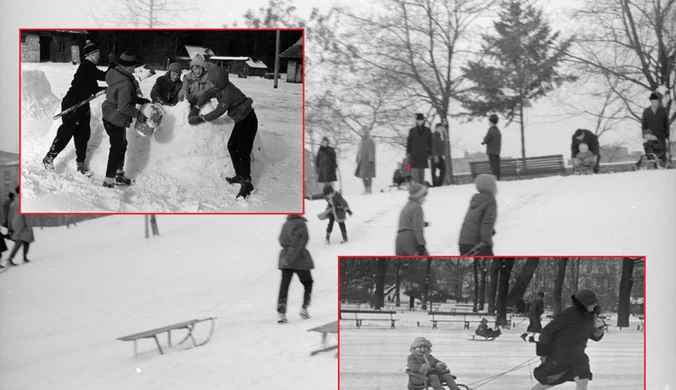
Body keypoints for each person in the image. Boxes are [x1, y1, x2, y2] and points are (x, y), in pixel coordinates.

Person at [42, 40, 113, 177]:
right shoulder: (86, 66)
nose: (99, 56)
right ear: (91, 54)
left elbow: (93, 88)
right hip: (72, 104)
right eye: (98, 53)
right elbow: (105, 76)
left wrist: (107, 90)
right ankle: (49, 158)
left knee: (83, 135)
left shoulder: (89, 69)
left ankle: (81, 164)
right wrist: (112, 64)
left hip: (83, 104)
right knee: (66, 132)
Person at [189, 66, 258, 199]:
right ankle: (240, 175)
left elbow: (218, 112)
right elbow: (208, 93)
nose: (213, 84)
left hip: (248, 120)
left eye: (214, 81)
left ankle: (247, 183)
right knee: (232, 146)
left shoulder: (227, 93)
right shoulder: (220, 86)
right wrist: (197, 106)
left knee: (243, 151)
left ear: (219, 81)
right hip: (240, 120)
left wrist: (201, 118)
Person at [531, 289, 604, 390]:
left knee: (583, 380)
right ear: (583, 304)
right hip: (561, 356)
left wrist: (598, 332)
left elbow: (592, 335)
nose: (594, 306)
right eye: (592, 303)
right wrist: (543, 353)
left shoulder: (590, 316)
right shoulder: (567, 314)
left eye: (595, 303)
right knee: (550, 381)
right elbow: (546, 332)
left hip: (578, 355)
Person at [101, 48, 150, 188]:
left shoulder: (114, 73)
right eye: (133, 66)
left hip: (110, 113)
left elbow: (123, 97)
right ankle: (108, 181)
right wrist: (139, 115)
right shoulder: (126, 83)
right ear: (128, 66)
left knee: (122, 144)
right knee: (117, 147)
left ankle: (119, 175)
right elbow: (124, 106)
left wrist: (139, 101)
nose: (135, 69)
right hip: (115, 117)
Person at [277, 214, 314, 324]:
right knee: (308, 282)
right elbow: (297, 243)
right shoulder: (301, 224)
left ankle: (281, 313)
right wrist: (290, 258)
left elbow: (281, 240)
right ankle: (304, 308)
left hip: (285, 257)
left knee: (285, 285)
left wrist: (287, 257)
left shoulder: (285, 224)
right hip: (298, 258)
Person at [458, 174, 497, 256]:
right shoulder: (490, 201)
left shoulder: (476, 200)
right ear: (490, 187)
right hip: (478, 244)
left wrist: (490, 231)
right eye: (494, 185)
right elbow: (487, 223)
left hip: (464, 241)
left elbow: (474, 219)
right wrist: (485, 240)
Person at [395, 183, 429, 256]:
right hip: (410, 239)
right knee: (424, 259)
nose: (425, 199)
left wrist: (423, 223)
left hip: (399, 240)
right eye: (424, 195)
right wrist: (421, 244)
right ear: (419, 196)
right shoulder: (417, 208)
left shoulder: (406, 206)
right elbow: (417, 227)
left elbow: (409, 222)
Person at [5, 187, 34, 267]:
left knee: (23, 241)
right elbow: (27, 215)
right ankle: (12, 258)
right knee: (23, 241)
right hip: (23, 223)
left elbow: (9, 216)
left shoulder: (13, 203)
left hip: (15, 223)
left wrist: (10, 227)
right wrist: (28, 225)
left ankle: (21, 258)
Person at [640, 92, 669, 167]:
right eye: (652, 102)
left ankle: (663, 166)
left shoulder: (662, 110)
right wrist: (644, 136)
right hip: (650, 136)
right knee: (651, 152)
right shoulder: (646, 111)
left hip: (661, 135)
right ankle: (654, 167)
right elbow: (643, 124)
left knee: (662, 152)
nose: (653, 103)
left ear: (658, 101)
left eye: (655, 102)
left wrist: (667, 135)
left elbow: (666, 123)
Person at [407, 113, 433, 184]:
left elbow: (430, 143)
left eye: (421, 120)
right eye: (418, 120)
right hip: (414, 154)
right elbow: (409, 142)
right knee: (414, 172)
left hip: (423, 154)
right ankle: (416, 185)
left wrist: (430, 153)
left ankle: (421, 185)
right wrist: (408, 152)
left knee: (422, 172)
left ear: (423, 121)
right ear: (416, 121)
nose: (419, 122)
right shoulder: (412, 131)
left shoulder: (427, 131)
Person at [355, 129, 376, 194]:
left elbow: (372, 151)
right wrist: (357, 158)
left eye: (362, 132)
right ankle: (366, 189)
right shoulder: (361, 141)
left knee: (368, 175)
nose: (360, 133)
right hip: (361, 161)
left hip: (368, 161)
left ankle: (369, 189)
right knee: (362, 175)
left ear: (365, 132)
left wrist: (371, 159)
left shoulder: (370, 141)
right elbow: (359, 151)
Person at [482, 114, 502, 180]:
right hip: (497, 151)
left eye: (489, 121)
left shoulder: (491, 130)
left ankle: (495, 178)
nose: (488, 123)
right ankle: (498, 178)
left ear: (491, 122)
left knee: (493, 166)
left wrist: (484, 141)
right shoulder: (498, 131)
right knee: (497, 166)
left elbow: (486, 140)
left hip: (491, 151)